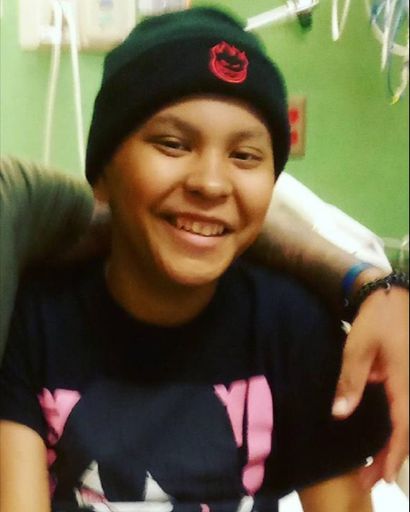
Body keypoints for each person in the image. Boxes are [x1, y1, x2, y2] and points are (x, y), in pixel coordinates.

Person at [0, 7, 406, 510]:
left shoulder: (292, 330)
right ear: (103, 172)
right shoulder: (39, 321)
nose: (211, 183)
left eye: (245, 156)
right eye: (173, 144)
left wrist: (373, 285)